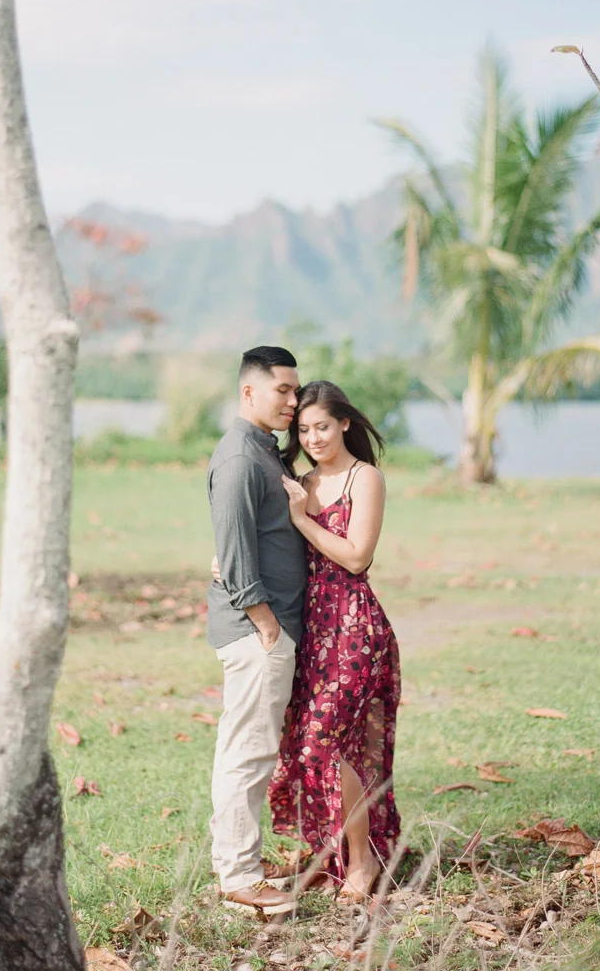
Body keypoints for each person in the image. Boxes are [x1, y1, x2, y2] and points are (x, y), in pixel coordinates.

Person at [269, 380, 402, 901]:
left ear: (345, 422)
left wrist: (301, 518)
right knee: (304, 745)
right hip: (310, 630)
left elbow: (355, 556)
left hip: (353, 626)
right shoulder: (299, 479)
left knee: (330, 741)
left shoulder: (364, 478)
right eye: (303, 430)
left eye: (322, 426)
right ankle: (333, 853)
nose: (314, 437)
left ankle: (363, 863)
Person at [206, 346, 306, 917]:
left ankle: (236, 858)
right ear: (250, 392)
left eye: (296, 391)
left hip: (263, 627)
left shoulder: (264, 452)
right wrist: (267, 626)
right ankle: (240, 877)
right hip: (256, 631)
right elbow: (235, 552)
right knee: (248, 754)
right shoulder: (243, 457)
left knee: (243, 750)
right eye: (282, 391)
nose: (292, 401)